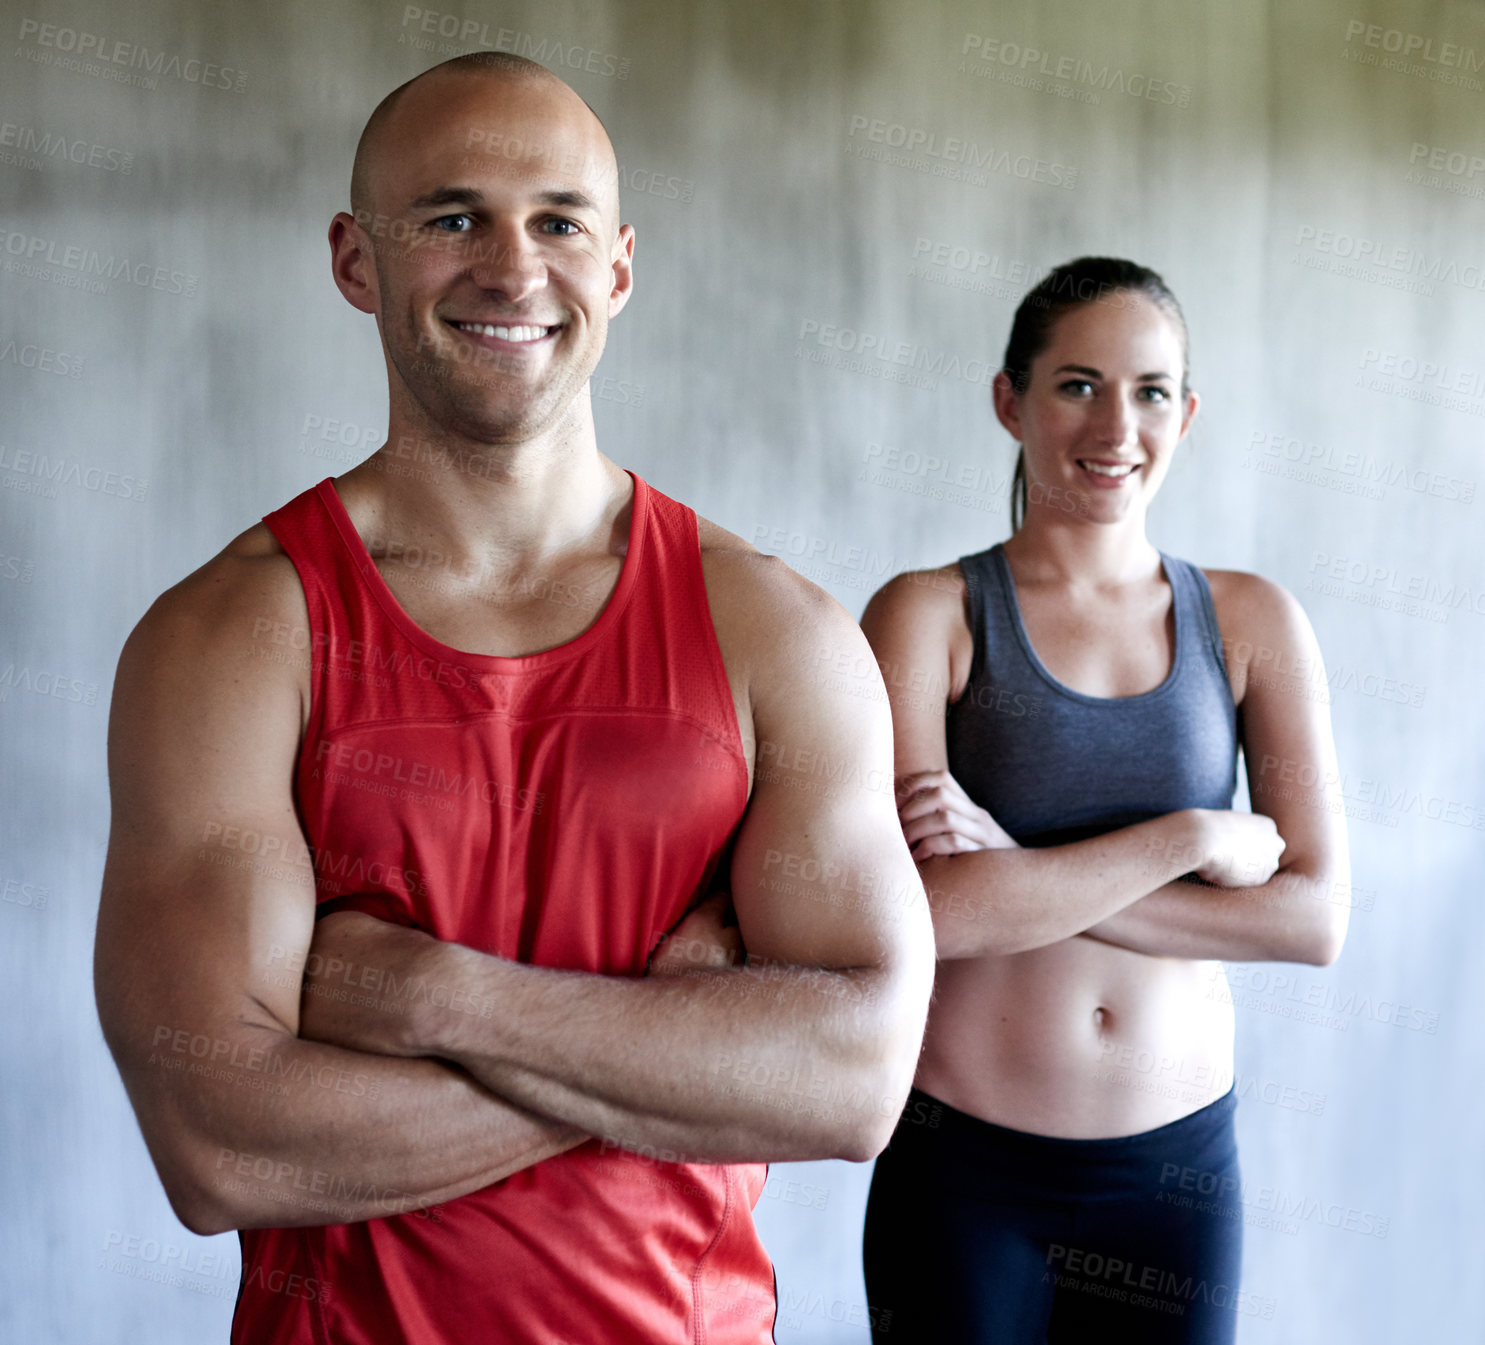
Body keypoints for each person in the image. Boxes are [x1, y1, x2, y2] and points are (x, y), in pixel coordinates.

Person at [93, 53, 934, 1343]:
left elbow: (855, 1084)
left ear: (620, 268)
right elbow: (223, 1148)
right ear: (355, 261)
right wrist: (685, 1048)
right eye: (450, 217)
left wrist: (434, 997)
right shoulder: (232, 636)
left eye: (559, 221)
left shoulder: (777, 631)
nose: (512, 268)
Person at [859, 257, 1349, 1344]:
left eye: (1151, 390)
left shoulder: (1253, 621)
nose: (1116, 424)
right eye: (1078, 384)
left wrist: (1013, 873)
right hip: (966, 1168)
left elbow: (1312, 919)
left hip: (1175, 1178)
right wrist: (1188, 835)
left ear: (1188, 411)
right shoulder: (927, 615)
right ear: (1010, 401)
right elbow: (916, 913)